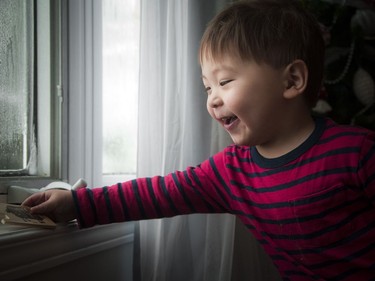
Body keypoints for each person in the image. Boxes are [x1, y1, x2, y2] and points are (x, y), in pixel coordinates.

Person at [22, 0, 375, 280]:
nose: (212, 99)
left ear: (291, 80)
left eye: (225, 82)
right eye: (207, 87)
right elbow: (158, 194)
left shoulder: (357, 152)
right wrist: (78, 203)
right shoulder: (231, 173)